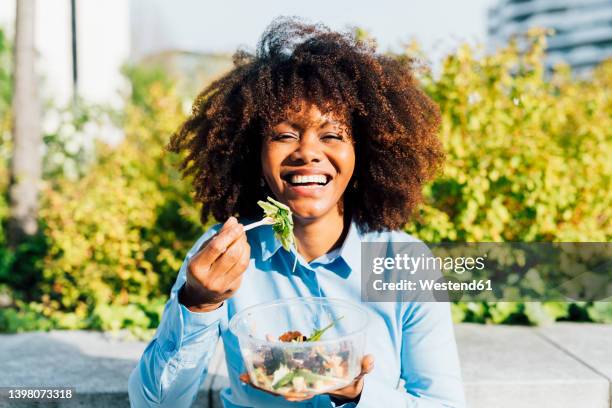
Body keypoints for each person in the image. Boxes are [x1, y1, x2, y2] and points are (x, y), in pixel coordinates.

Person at [128, 17, 465, 408]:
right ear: (254, 153)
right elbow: (155, 403)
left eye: (332, 135)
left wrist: (356, 392)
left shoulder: (404, 263)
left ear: (364, 153)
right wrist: (198, 304)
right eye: (285, 135)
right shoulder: (225, 254)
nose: (307, 152)